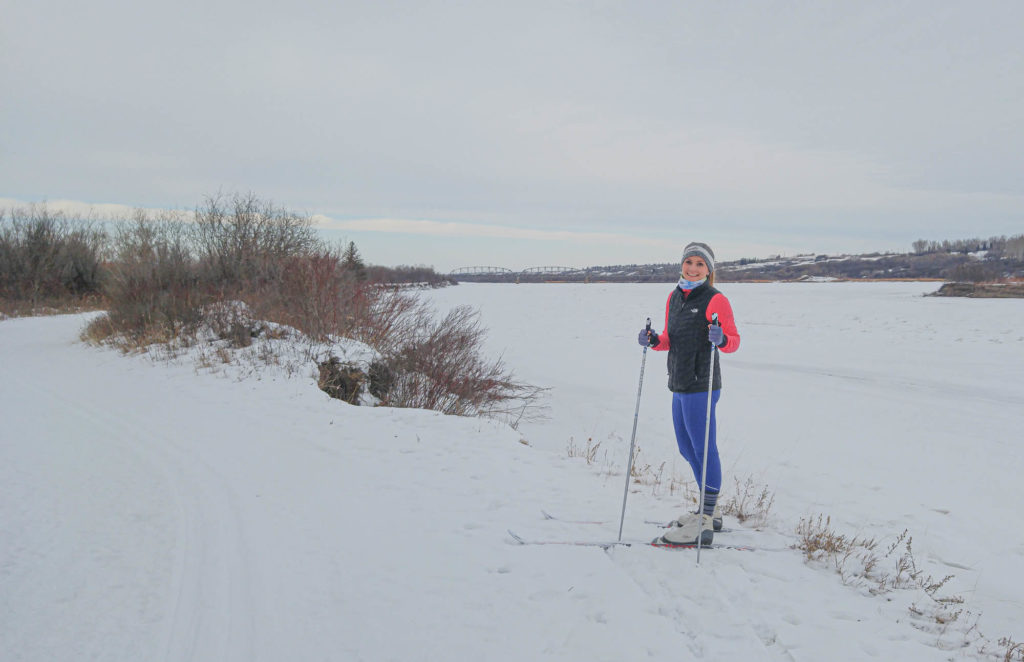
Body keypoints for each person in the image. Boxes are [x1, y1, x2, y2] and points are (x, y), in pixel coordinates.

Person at [638, 241, 741, 546]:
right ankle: (708, 510)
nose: (693, 268)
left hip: (703, 383)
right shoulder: (674, 297)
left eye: (700, 264)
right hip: (679, 381)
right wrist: (654, 339)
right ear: (681, 264)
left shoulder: (715, 299)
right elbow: (671, 338)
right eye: (689, 262)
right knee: (686, 447)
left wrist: (721, 338)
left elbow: (734, 340)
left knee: (703, 449)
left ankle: (706, 521)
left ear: (709, 270)